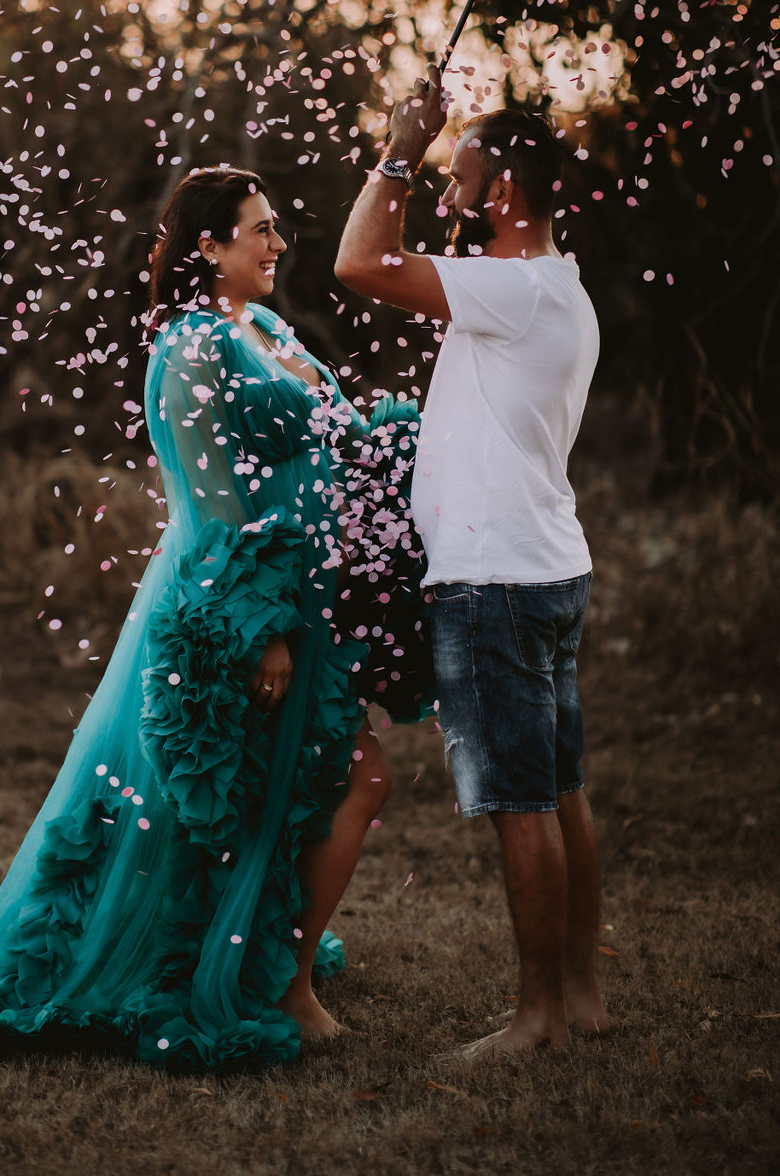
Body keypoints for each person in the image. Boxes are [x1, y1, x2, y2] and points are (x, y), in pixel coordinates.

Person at [0, 165, 426, 1071]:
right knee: (318, 785)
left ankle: (273, 966)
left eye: (275, 228)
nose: (277, 245)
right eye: (259, 230)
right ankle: (286, 984)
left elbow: (334, 430)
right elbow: (209, 503)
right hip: (239, 613)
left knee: (302, 790)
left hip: (307, 603)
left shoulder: (263, 326)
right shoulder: (188, 351)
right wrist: (258, 626)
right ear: (209, 246)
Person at [335, 67, 608, 1056]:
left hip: (494, 580)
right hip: (545, 567)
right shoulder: (552, 286)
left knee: (520, 803)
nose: (445, 193)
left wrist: (400, 147)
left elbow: (358, 262)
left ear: (503, 191)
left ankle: (535, 1018)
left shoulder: (507, 286)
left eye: (459, 176)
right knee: (562, 788)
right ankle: (578, 997)